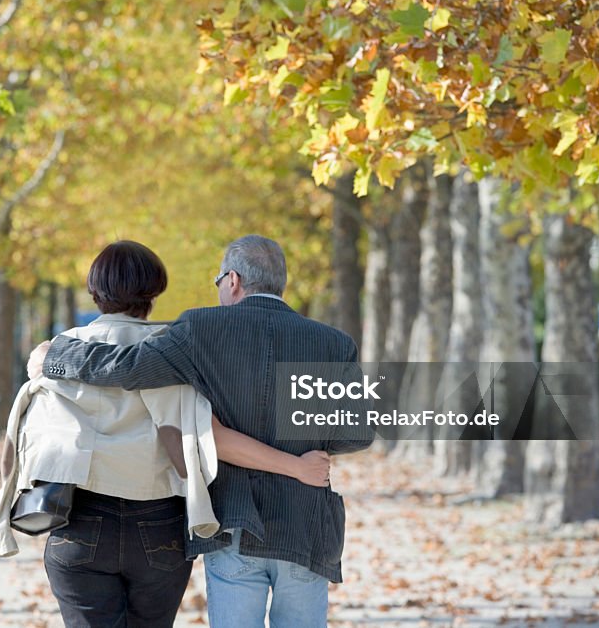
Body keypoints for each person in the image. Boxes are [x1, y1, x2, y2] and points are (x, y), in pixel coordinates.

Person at [30, 234, 375, 628]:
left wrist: (55, 355)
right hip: (306, 522)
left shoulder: (201, 328)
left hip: (235, 518)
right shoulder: (333, 343)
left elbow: (127, 368)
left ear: (232, 281)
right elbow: (357, 434)